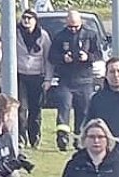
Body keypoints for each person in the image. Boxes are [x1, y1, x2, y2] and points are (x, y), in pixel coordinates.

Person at [48, 9, 106, 150]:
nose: (73, 29)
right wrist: (63, 58)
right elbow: (51, 56)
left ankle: (79, 140)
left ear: (81, 23)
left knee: (83, 111)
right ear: (66, 24)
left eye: (76, 26)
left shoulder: (90, 35)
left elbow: (98, 54)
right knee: (64, 109)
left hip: (85, 80)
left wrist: (87, 57)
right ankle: (62, 138)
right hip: (66, 80)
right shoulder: (60, 36)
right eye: (70, 26)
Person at [13, 10, 52, 149]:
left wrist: (48, 79)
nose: (27, 20)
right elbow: (5, 53)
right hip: (20, 76)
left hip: (37, 77)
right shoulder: (15, 34)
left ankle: (34, 140)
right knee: (20, 109)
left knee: (35, 110)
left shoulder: (43, 36)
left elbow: (48, 59)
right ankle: (20, 139)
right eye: (24, 17)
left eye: (30, 18)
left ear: (35, 20)